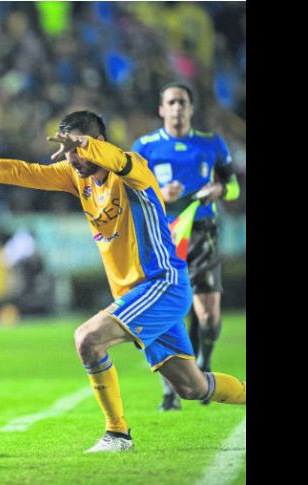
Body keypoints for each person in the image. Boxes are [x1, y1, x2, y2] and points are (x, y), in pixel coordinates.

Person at [0, 110, 246, 453]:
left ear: (99, 143)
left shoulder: (133, 169)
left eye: (79, 148)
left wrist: (87, 147)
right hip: (137, 293)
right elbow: (26, 172)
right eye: (68, 150)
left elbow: (117, 159)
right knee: (192, 387)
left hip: (160, 284)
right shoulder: (77, 176)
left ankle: (117, 434)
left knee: (88, 339)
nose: (73, 158)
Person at [132, 82, 241, 411]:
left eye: (183, 102)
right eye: (171, 102)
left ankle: (204, 360)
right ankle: (170, 388)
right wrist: (160, 195)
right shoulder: (145, 147)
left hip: (202, 233)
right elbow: (132, 194)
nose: (177, 107)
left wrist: (219, 192)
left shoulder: (211, 145)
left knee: (208, 315)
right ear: (161, 109)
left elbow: (234, 188)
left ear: (191, 109)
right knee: (169, 313)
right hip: (165, 237)